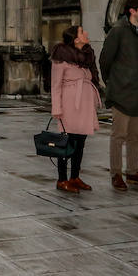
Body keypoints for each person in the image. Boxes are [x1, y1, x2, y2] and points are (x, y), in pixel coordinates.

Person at [99, 0, 138, 191]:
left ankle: (133, 172)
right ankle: (116, 173)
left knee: (135, 135)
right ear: (132, 11)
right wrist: (113, 83)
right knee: (119, 135)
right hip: (122, 93)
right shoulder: (118, 31)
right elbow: (104, 60)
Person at [49, 24, 101, 192]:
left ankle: (75, 177)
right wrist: (56, 108)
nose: (86, 33)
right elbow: (55, 85)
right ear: (76, 38)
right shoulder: (61, 57)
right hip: (69, 107)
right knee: (67, 143)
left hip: (85, 107)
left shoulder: (86, 56)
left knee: (80, 143)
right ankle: (62, 179)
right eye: (82, 31)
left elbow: (91, 78)